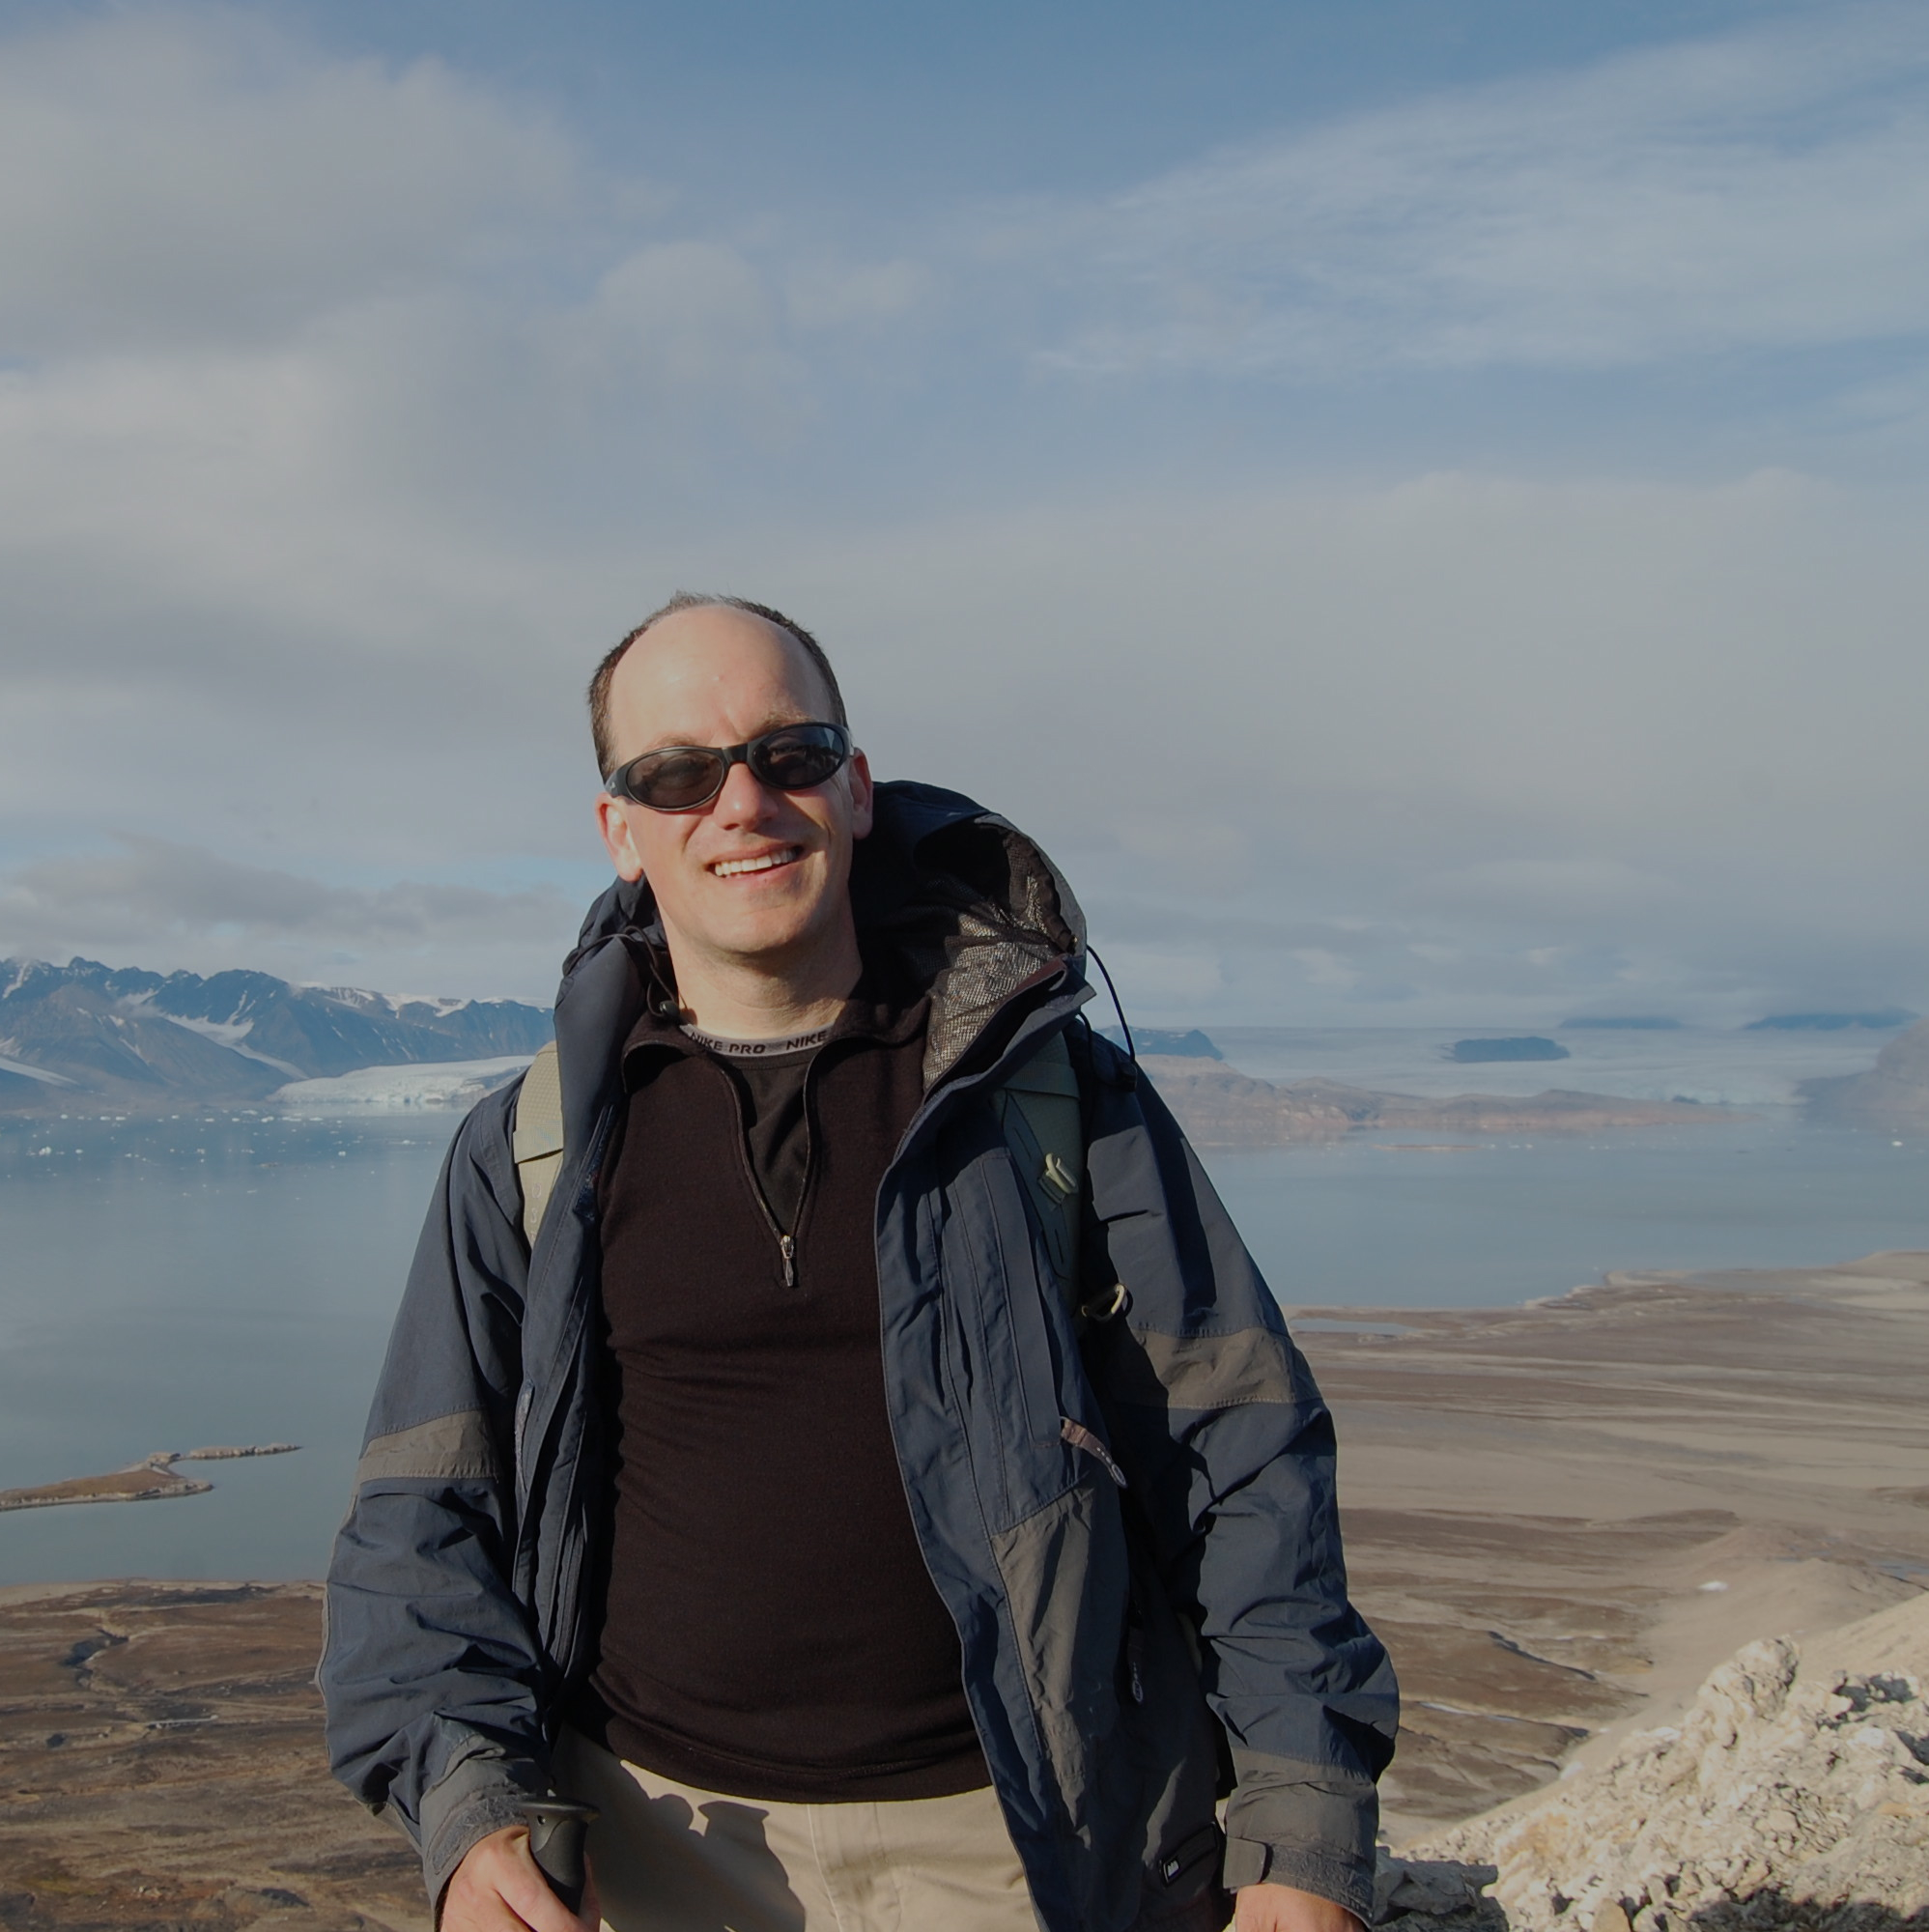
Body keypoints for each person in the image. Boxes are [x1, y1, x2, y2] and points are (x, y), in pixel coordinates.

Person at [323, 595, 1397, 1932]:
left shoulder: (1048, 1098)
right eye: (679, 774)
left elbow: (1241, 1456)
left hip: (1025, 1853)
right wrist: (467, 1792)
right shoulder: (534, 1145)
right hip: (654, 1857)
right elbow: (421, 1515)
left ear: (858, 787)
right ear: (621, 831)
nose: (742, 803)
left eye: (792, 753)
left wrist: (1302, 1816)